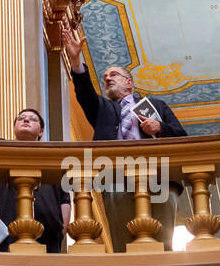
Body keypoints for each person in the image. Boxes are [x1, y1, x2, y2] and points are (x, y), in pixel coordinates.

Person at [62, 25, 187, 252]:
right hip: (116, 176)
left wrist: (160, 128)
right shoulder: (103, 108)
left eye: (114, 74)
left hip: (159, 177)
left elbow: (182, 138)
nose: (107, 78)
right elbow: (85, 93)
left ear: (129, 82)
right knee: (122, 243)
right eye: (105, 76)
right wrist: (75, 60)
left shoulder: (156, 106)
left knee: (162, 242)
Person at [0, 109, 71, 253]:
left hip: (47, 235)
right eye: (21, 118)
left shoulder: (52, 159)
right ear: (14, 127)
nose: (26, 120)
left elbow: (64, 200)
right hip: (4, 228)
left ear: (40, 132)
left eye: (32, 119)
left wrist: (62, 231)